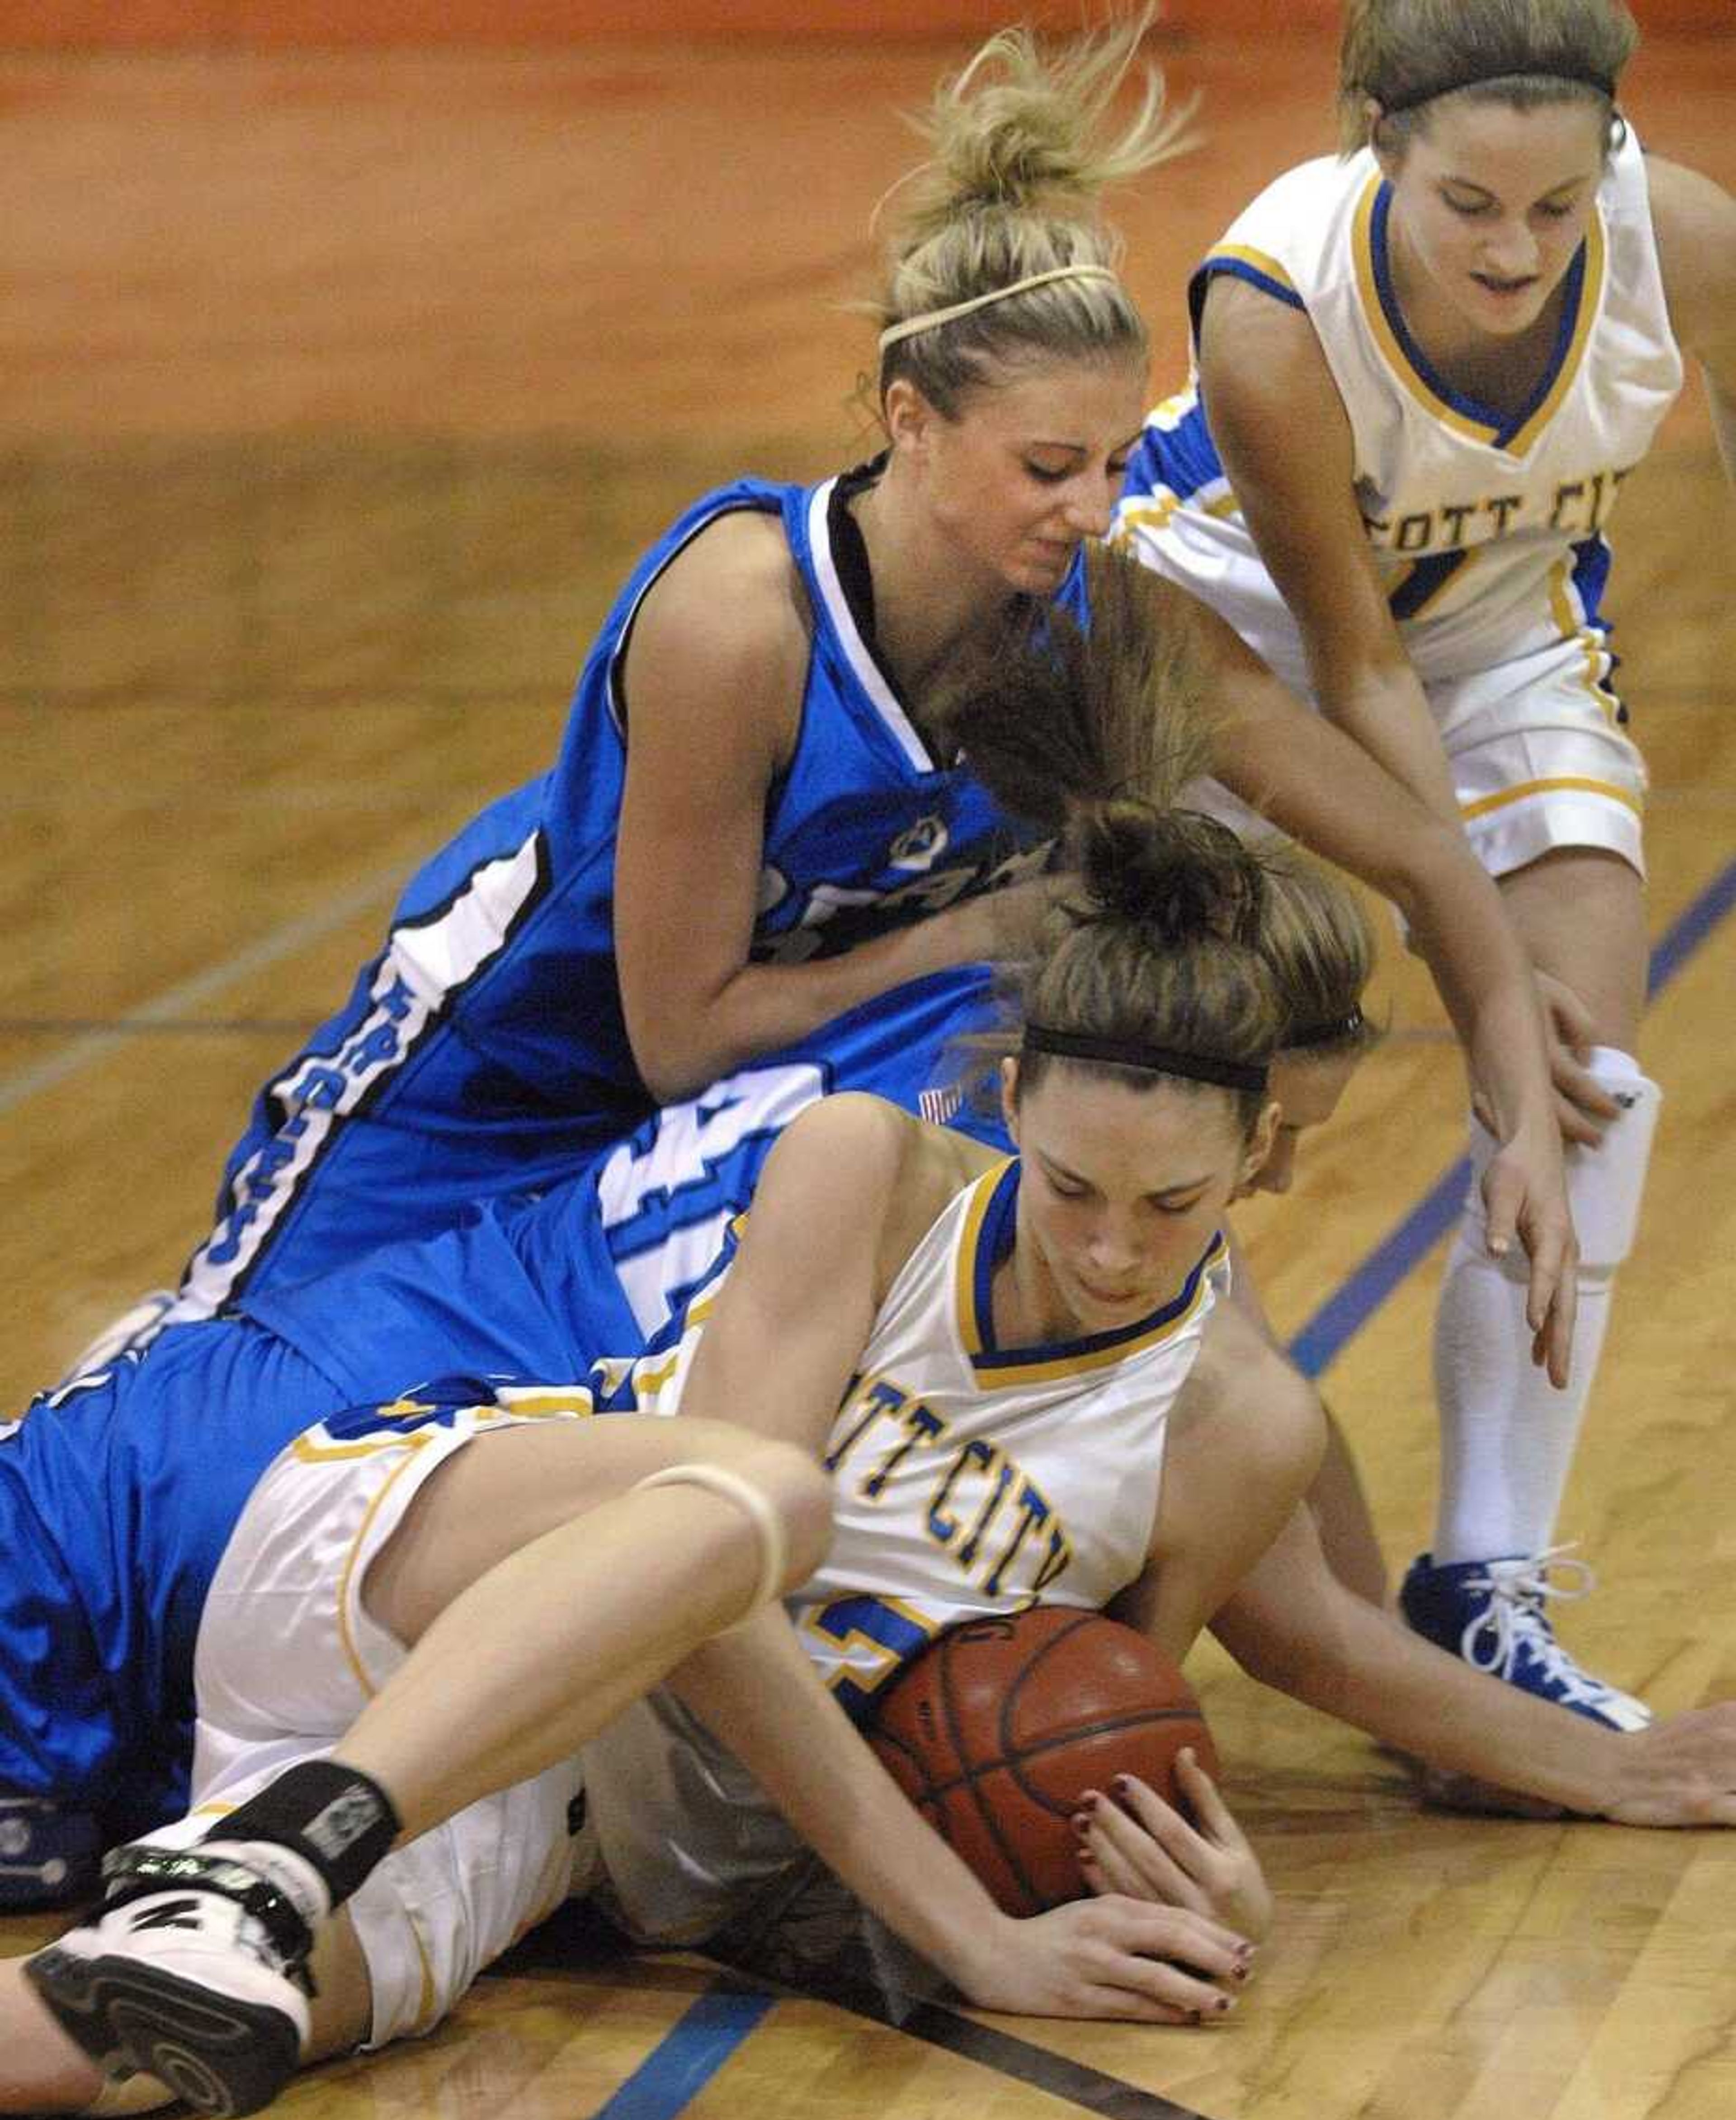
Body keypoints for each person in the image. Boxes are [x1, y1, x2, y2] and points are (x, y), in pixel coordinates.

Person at [11, 811, 1736, 2120]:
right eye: (1073, 1187)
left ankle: (222, 1907)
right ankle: (276, 1857)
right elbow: (706, 1590)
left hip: (560, 1823)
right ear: (1011, 1096)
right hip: (447, 1561)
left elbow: (1276, 1664)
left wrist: (1613, 1771)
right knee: (761, 1509)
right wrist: (970, 1942)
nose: (1117, 1251)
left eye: (1171, 1207)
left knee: (156, 2045)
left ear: (1261, 1161)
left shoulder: (1238, 1428)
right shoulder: (866, 1170)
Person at [85, 20, 1576, 1401]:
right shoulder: (740, 623)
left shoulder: (1102, 618)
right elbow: (679, 1039)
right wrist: (972, 934)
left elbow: (1417, 852)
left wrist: (1518, 1093)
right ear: (908, 420)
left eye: (1120, 464)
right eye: (1050, 465)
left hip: (762, 1095)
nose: (1094, 509)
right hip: (507, 1068)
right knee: (216, 1409)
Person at [1113, 0, 1736, 1725]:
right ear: (1373, 140)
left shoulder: (1684, 239)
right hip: (1230, 643)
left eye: (1558, 203)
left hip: (1505, 640)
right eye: (1470, 205)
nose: (1522, 249)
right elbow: (1353, 660)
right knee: (1179, 1082)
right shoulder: (1273, 315)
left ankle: (1485, 1585)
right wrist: (1467, 970)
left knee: (1592, 1067)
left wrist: (1529, 1045)